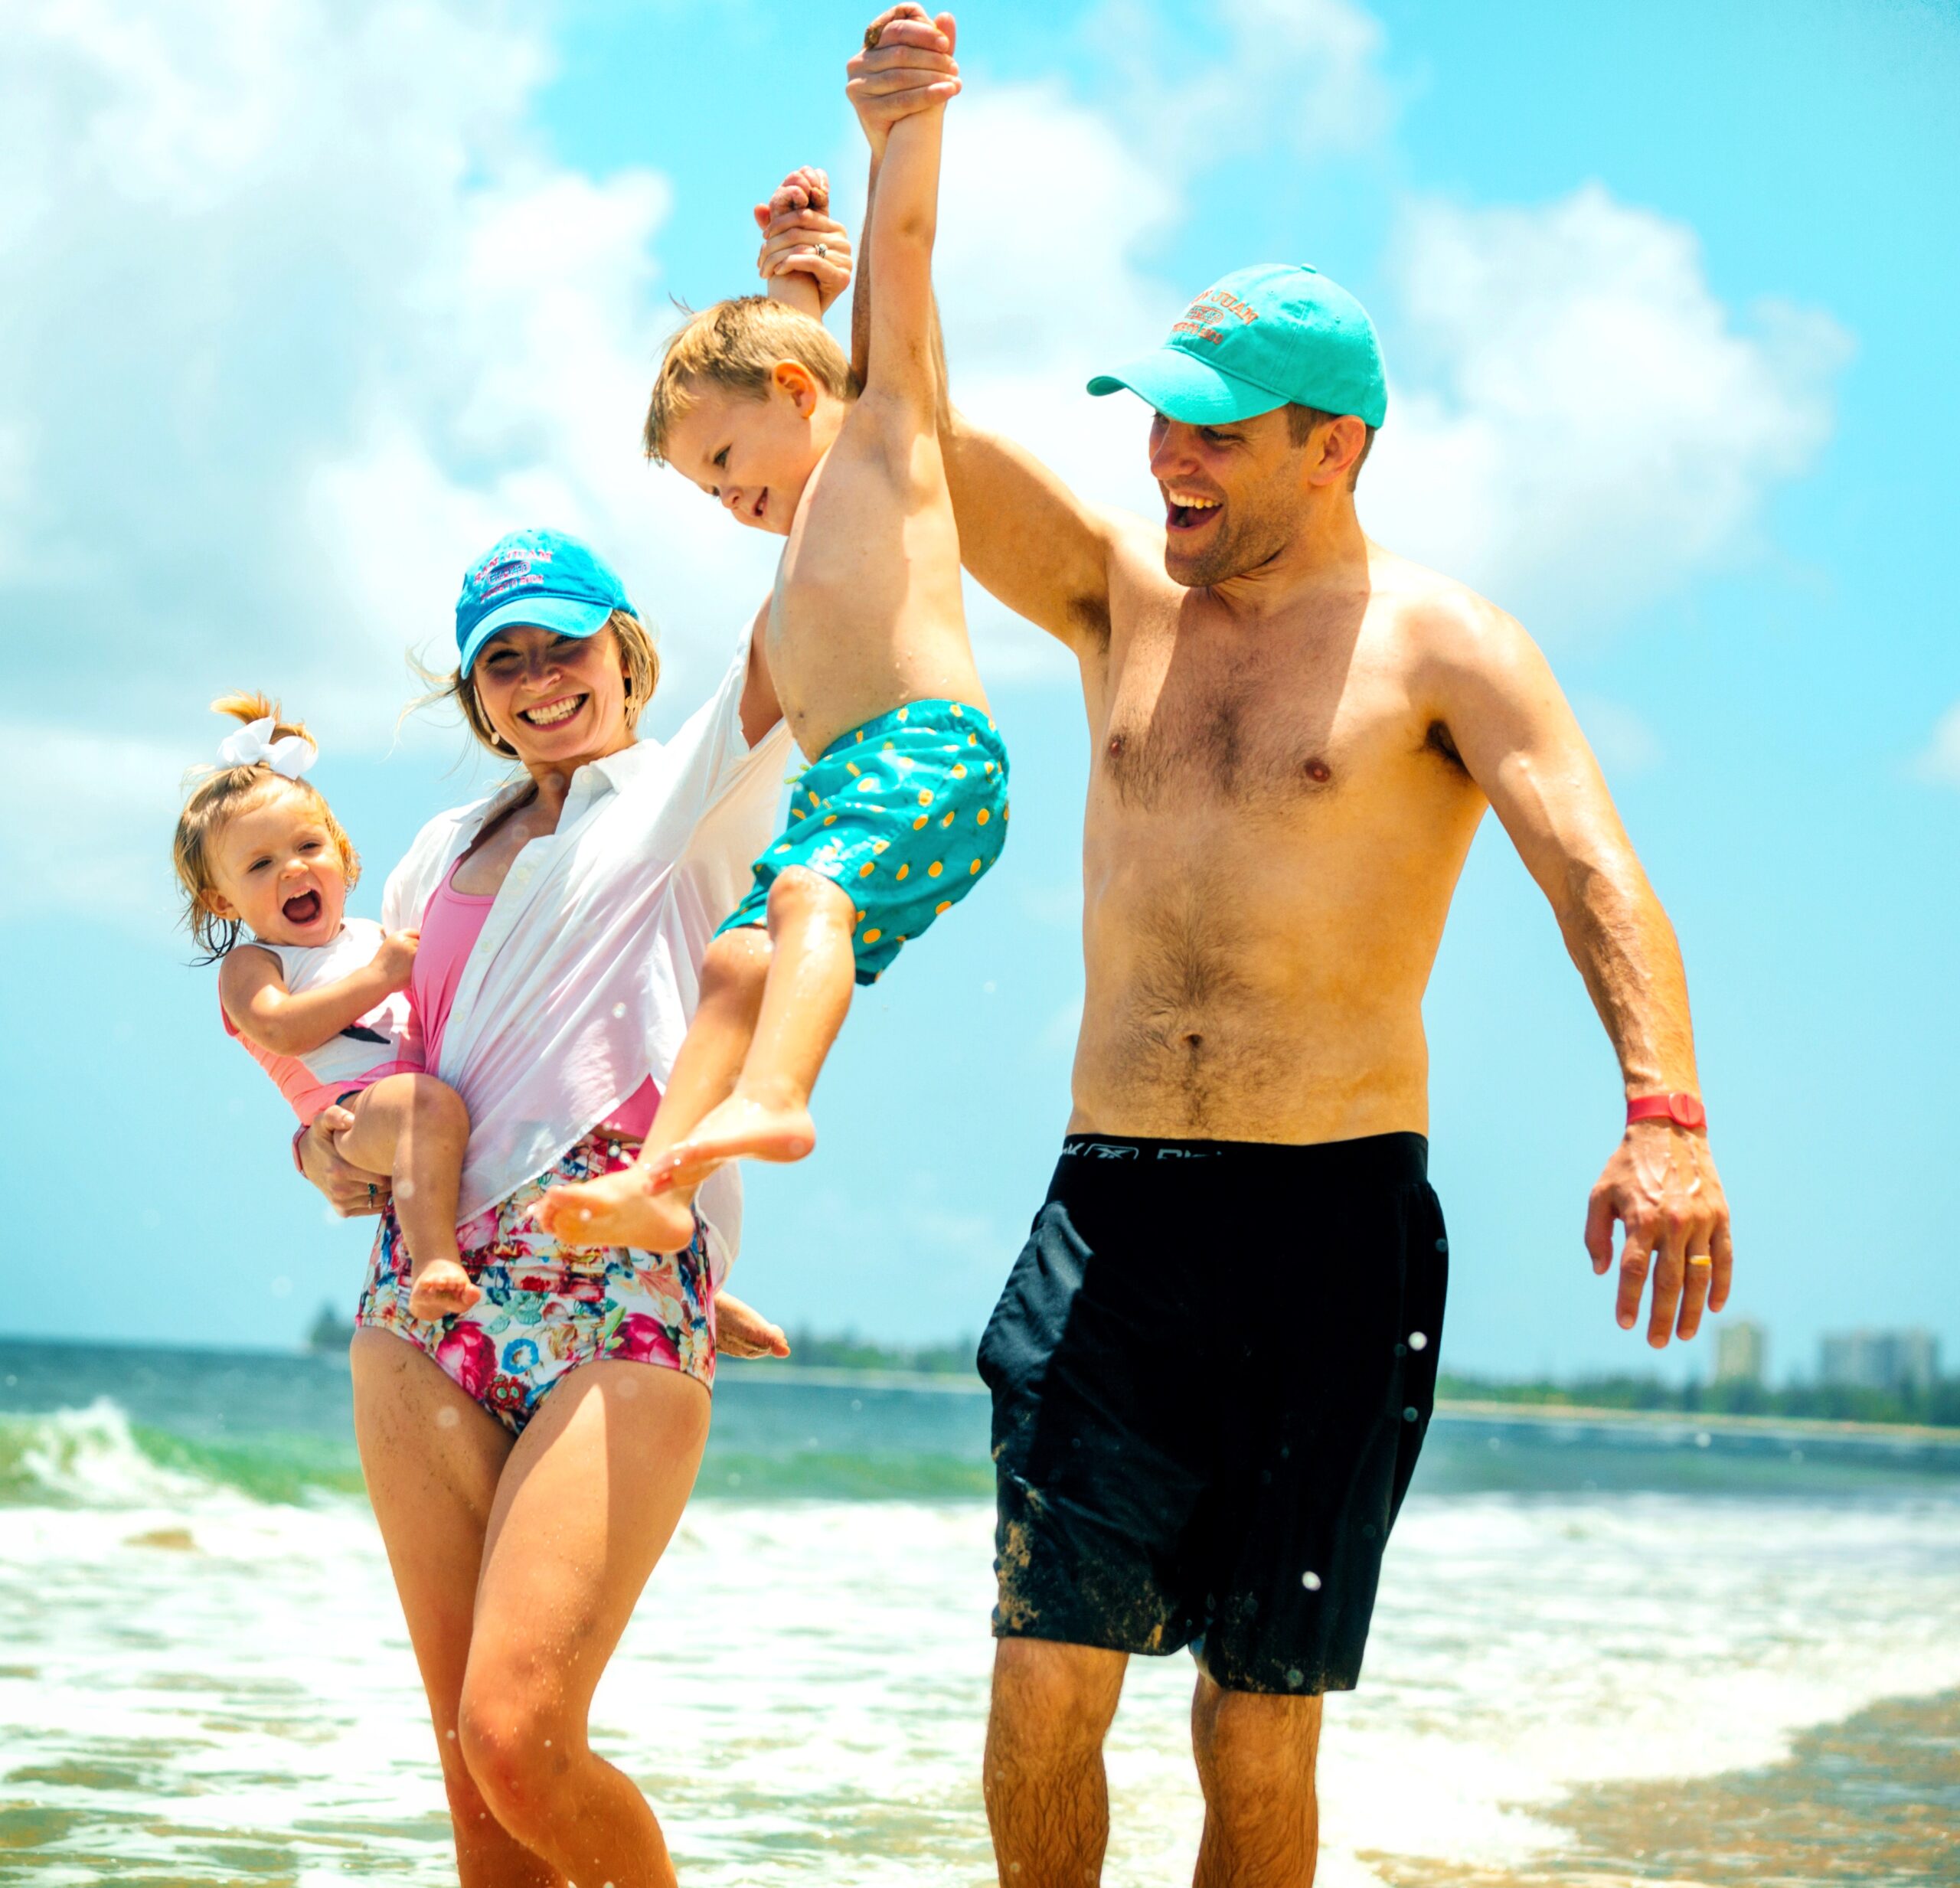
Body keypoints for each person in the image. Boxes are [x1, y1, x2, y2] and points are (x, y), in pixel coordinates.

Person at [848, 16, 1736, 1886]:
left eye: (1214, 428)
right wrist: (883, 171)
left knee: (1255, 1721)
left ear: (1332, 446)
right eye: (1158, 415)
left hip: (1331, 1225)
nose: (1165, 453)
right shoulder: (1110, 586)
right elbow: (898, 420)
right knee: (1037, 1689)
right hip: (1112, 1209)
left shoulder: (1443, 645)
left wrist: (1660, 1108)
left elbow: (1590, 868)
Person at [294, 525, 798, 1887]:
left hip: (615, 1283)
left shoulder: (690, 793)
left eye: (564, 644)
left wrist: (835, 361)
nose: (539, 679)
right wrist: (327, 1151)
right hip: (423, 1296)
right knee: (473, 1790)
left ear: (626, 649)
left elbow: (812, 602)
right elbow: (389, 1063)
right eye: (502, 662)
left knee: (521, 1737)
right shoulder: (433, 850)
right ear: (476, 695)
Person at [538, 8, 1004, 1258]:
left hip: (932, 752)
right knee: (738, 966)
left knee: (802, 901)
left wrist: (903, 125)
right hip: (851, 785)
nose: (730, 499)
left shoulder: (878, 442)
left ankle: (781, 1094)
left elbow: (896, 265)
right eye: (706, 490)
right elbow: (774, 361)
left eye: (729, 462)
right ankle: (661, 1181)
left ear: (798, 400)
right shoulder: (801, 521)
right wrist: (792, 272)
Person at [177, 692, 478, 1322]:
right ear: (223, 902)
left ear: (342, 852)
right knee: (427, 1106)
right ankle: (433, 1263)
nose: (292, 869)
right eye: (260, 864)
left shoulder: (374, 933)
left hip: (419, 1107)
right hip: (349, 1118)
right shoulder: (255, 964)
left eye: (309, 847)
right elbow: (280, 1029)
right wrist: (381, 975)